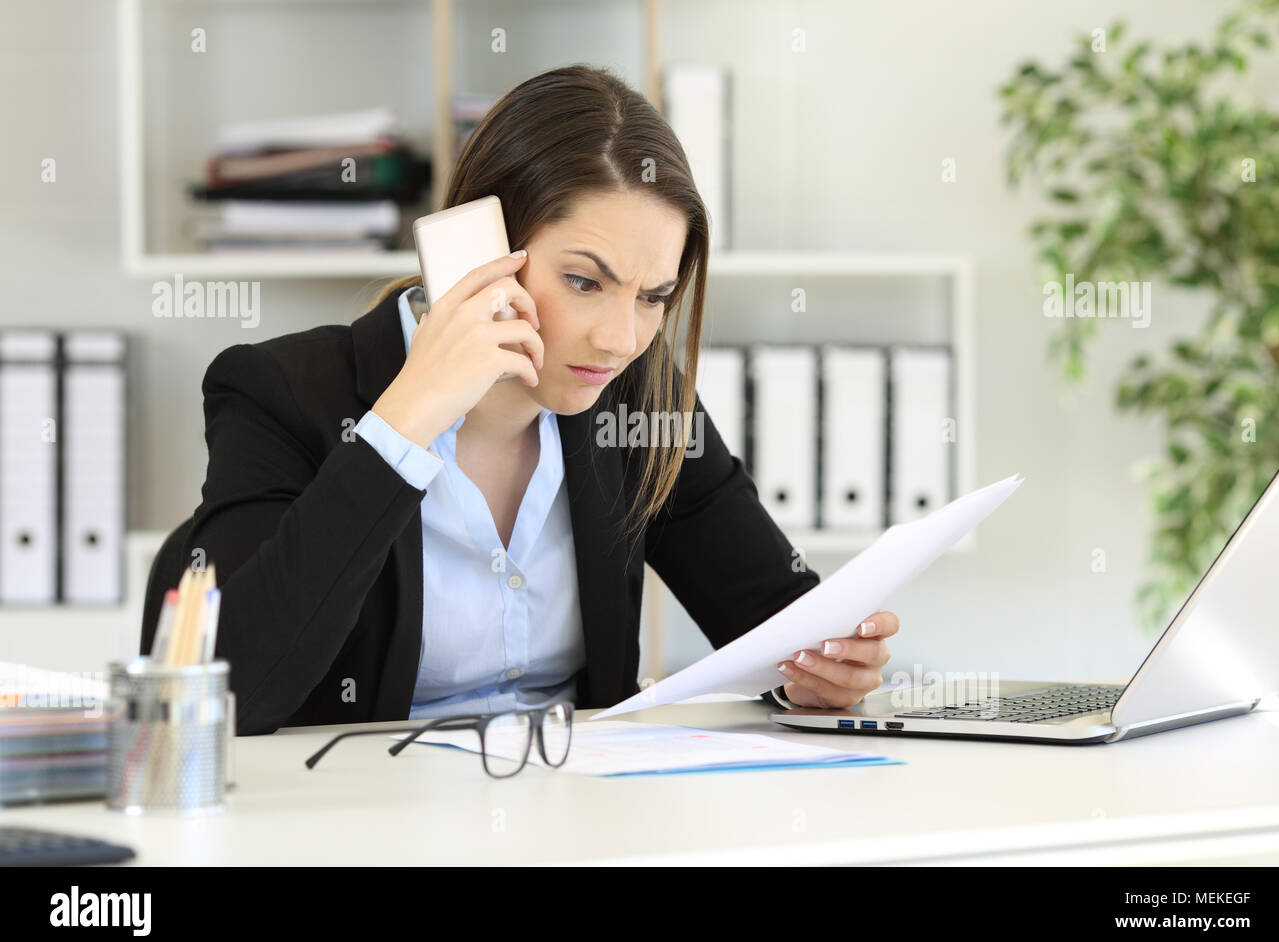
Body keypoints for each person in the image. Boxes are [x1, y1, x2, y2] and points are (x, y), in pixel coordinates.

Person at [177, 64, 898, 735]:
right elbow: (231, 691)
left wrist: (821, 671)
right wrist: (406, 422)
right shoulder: (282, 392)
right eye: (585, 281)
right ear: (478, 248)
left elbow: (775, 624)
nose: (621, 339)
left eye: (654, 297)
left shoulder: (637, 406)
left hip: (575, 817)